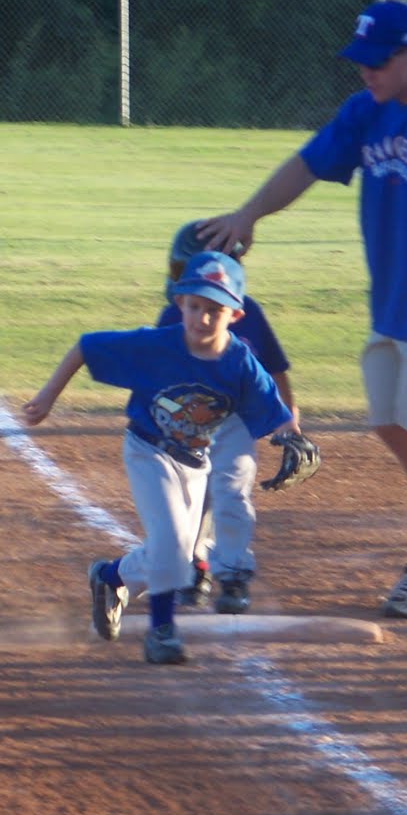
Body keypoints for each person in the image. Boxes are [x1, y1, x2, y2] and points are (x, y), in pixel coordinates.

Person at [199, 0, 407, 618]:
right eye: (361, 62)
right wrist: (248, 214)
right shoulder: (367, 111)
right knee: (392, 423)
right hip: (396, 306)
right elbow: (308, 165)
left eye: (378, 62)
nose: (366, 73)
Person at [22, 250, 293, 664]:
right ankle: (161, 631)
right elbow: (86, 347)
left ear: (236, 315)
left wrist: (293, 440)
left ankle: (111, 577)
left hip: (196, 462)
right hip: (148, 451)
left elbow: (273, 407)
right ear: (180, 303)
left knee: (180, 558)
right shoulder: (156, 345)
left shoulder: (240, 362)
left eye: (214, 310)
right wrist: (46, 397)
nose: (202, 318)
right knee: (169, 545)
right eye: (194, 305)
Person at [157, 220, 309, 616]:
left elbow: (273, 368)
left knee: (231, 492)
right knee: (189, 500)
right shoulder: (172, 317)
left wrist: (289, 424)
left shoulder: (245, 313)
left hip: (235, 421)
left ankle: (234, 573)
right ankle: (193, 567)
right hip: (185, 424)